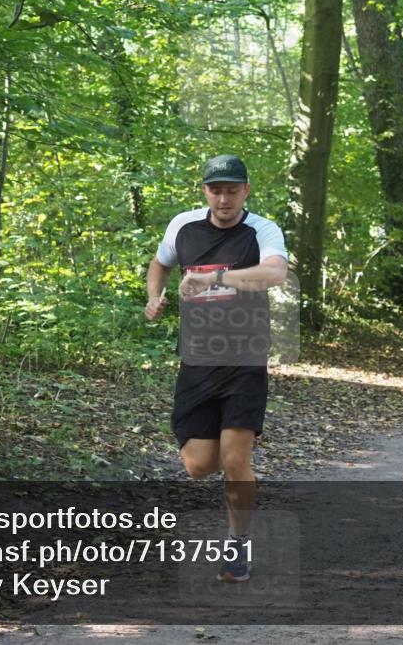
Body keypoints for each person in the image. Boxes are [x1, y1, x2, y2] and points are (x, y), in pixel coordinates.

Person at [145, 154, 288, 582]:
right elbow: (160, 263)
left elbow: (275, 273)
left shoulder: (261, 230)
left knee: (234, 457)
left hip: (244, 359)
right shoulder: (183, 226)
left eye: (232, 189)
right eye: (215, 189)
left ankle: (237, 544)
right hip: (197, 360)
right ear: (204, 190)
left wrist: (216, 278)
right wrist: (155, 295)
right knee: (198, 465)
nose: (223, 198)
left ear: (246, 190)